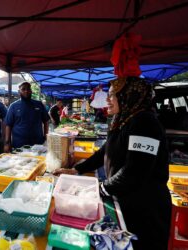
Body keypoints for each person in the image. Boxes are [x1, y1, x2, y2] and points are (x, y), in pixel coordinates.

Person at [54, 77, 171, 249]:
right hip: (125, 202)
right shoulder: (123, 119)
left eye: (112, 95)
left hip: (145, 210)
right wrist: (77, 170)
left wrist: (99, 189)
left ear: (127, 97)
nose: (107, 100)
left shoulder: (145, 123)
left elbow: (135, 172)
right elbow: (105, 152)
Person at [4, 82, 50, 152]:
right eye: (23, 89)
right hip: (18, 145)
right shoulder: (13, 106)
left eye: (28, 89)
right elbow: (8, 125)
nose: (26, 91)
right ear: (19, 92)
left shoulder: (39, 104)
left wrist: (46, 137)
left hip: (37, 144)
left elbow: (46, 121)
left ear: (31, 91)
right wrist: (7, 143)